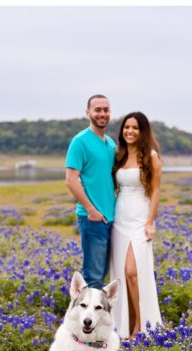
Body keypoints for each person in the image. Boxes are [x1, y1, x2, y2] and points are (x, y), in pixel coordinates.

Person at [110, 111, 164, 338]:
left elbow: (155, 191)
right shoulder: (119, 154)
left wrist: (151, 222)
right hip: (119, 219)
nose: (130, 131)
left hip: (140, 220)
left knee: (133, 272)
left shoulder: (151, 156)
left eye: (135, 128)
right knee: (121, 274)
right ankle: (124, 324)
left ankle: (139, 326)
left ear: (142, 131)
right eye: (126, 127)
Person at [66, 94, 117, 290]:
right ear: (88, 112)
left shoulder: (110, 143)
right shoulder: (80, 141)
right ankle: (88, 321)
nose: (102, 114)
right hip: (93, 219)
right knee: (94, 277)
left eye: (106, 110)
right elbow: (70, 180)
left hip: (112, 218)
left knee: (107, 273)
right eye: (97, 110)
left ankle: (104, 319)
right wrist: (91, 210)